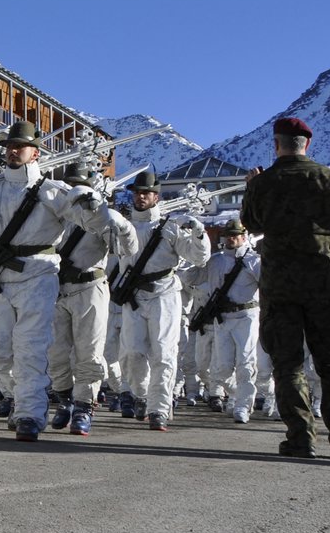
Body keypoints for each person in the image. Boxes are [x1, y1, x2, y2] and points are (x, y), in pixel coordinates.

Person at [0, 122, 137, 441]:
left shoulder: (52, 192)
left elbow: (94, 222)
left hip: (38, 274)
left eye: (20, 146)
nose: (13, 150)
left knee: (31, 348)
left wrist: (96, 208)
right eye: (10, 145)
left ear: (35, 153)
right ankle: (18, 398)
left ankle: (30, 412)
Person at [239, 116, 330, 460]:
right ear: (306, 144)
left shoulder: (264, 183)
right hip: (321, 284)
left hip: (280, 287)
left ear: (276, 144)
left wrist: (252, 187)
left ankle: (301, 439)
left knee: (288, 364)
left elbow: (251, 224)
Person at [112, 167, 209, 433]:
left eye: (147, 193)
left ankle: (159, 409)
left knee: (164, 354)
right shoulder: (124, 226)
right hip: (133, 296)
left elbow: (198, 258)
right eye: (138, 193)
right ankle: (141, 395)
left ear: (156, 197)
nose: (141, 197)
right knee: (131, 353)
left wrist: (199, 235)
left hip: (164, 293)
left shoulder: (170, 228)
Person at [44, 160, 137, 435]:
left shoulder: (101, 215)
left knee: (89, 353)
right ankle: (64, 401)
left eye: (81, 186)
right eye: (71, 185)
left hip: (90, 287)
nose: (76, 191)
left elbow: (127, 249)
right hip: (57, 288)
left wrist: (115, 220)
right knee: (56, 353)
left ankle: (84, 406)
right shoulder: (53, 211)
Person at [192, 219, 262, 424]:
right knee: (220, 370)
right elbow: (192, 278)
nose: (231, 239)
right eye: (228, 235)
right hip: (222, 318)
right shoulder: (215, 260)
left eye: (235, 235)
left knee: (246, 364)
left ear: (243, 236)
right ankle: (237, 395)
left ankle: (243, 405)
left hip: (246, 316)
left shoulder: (253, 261)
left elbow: (267, 286)